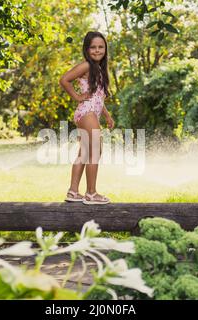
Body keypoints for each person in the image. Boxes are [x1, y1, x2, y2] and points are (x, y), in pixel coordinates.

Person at [59, 31, 115, 205]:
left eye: (101, 47)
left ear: (105, 49)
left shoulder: (99, 69)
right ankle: (91, 193)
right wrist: (76, 96)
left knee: (84, 153)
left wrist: (107, 115)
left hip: (90, 112)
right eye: (93, 47)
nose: (97, 50)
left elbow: (97, 96)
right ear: (87, 49)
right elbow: (64, 80)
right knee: (95, 150)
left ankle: (73, 192)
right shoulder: (87, 66)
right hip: (87, 112)